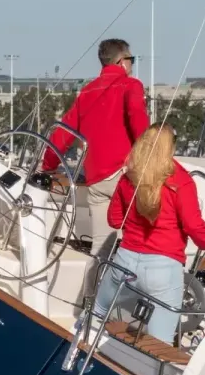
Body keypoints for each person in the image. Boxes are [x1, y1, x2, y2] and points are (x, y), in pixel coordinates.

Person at [99, 124, 205, 344]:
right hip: (163, 270)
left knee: (96, 313)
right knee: (159, 343)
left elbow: (114, 220)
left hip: (124, 262)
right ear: (171, 147)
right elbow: (194, 227)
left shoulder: (129, 177)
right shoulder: (182, 182)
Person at [42, 38, 150, 243]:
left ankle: (98, 265)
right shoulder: (131, 85)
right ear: (121, 62)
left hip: (96, 178)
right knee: (135, 241)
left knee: (101, 244)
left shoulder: (87, 91)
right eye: (131, 59)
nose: (132, 64)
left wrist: (48, 165)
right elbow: (138, 119)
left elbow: (63, 133)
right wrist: (150, 157)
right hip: (123, 174)